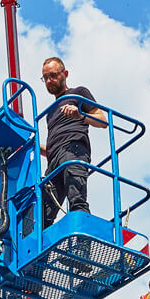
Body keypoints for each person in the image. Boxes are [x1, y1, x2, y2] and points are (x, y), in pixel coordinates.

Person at [38, 57, 105, 227]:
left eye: (53, 75)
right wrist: (36, 147)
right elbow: (53, 147)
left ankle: (82, 236)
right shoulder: (50, 113)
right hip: (54, 161)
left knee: (77, 200)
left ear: (65, 74)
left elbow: (103, 121)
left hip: (73, 150)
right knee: (42, 215)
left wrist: (80, 115)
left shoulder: (78, 93)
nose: (49, 81)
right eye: (45, 78)